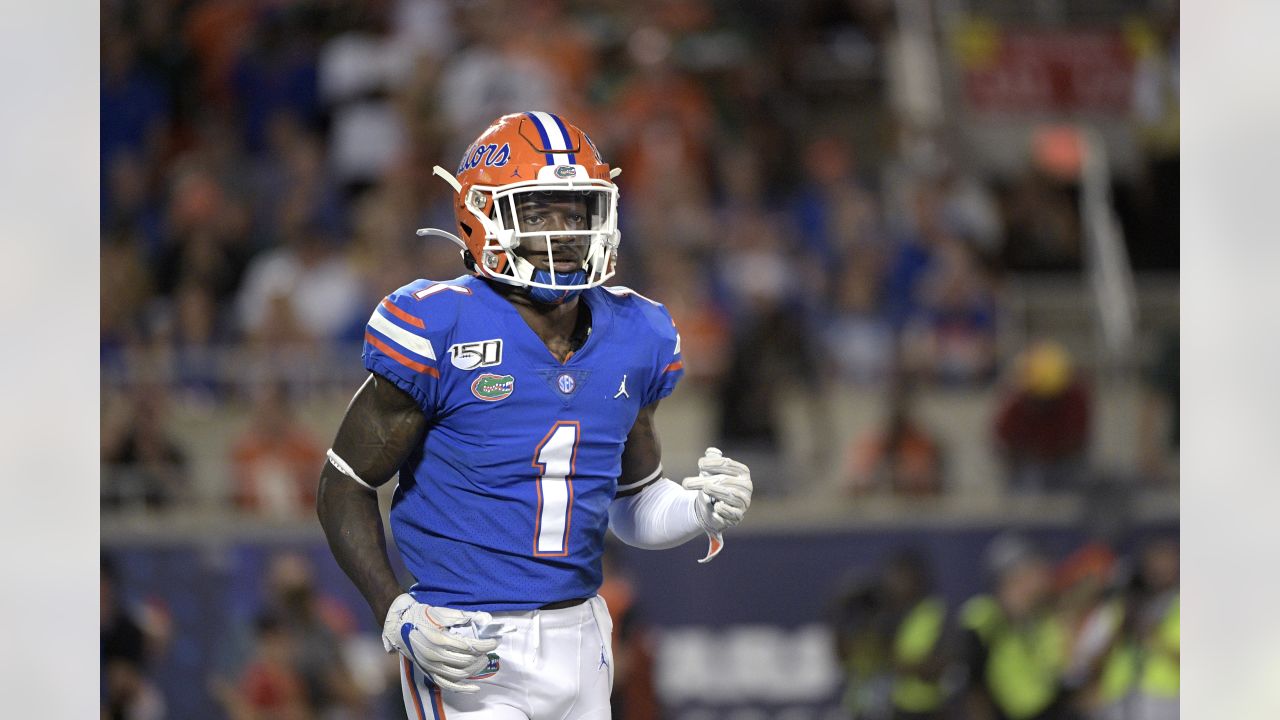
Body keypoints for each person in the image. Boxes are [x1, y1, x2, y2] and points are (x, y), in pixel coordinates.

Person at [316, 111, 754, 720]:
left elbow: (632, 503)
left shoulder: (637, 331)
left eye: (574, 213)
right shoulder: (437, 326)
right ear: (484, 216)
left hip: (582, 637)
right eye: (538, 212)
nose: (563, 231)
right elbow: (345, 481)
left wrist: (697, 509)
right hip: (467, 640)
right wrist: (395, 610)